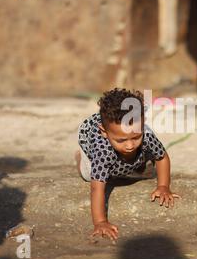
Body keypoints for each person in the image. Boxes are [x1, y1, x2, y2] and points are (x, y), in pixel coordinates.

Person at [75, 88, 180, 241]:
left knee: (143, 167)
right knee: (88, 174)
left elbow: (162, 157)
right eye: (121, 140)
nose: (130, 145)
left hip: (124, 152)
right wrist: (100, 222)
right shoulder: (101, 150)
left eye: (136, 137)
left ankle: (132, 162)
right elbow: (96, 188)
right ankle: (79, 158)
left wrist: (163, 186)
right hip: (91, 148)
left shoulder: (146, 135)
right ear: (105, 132)